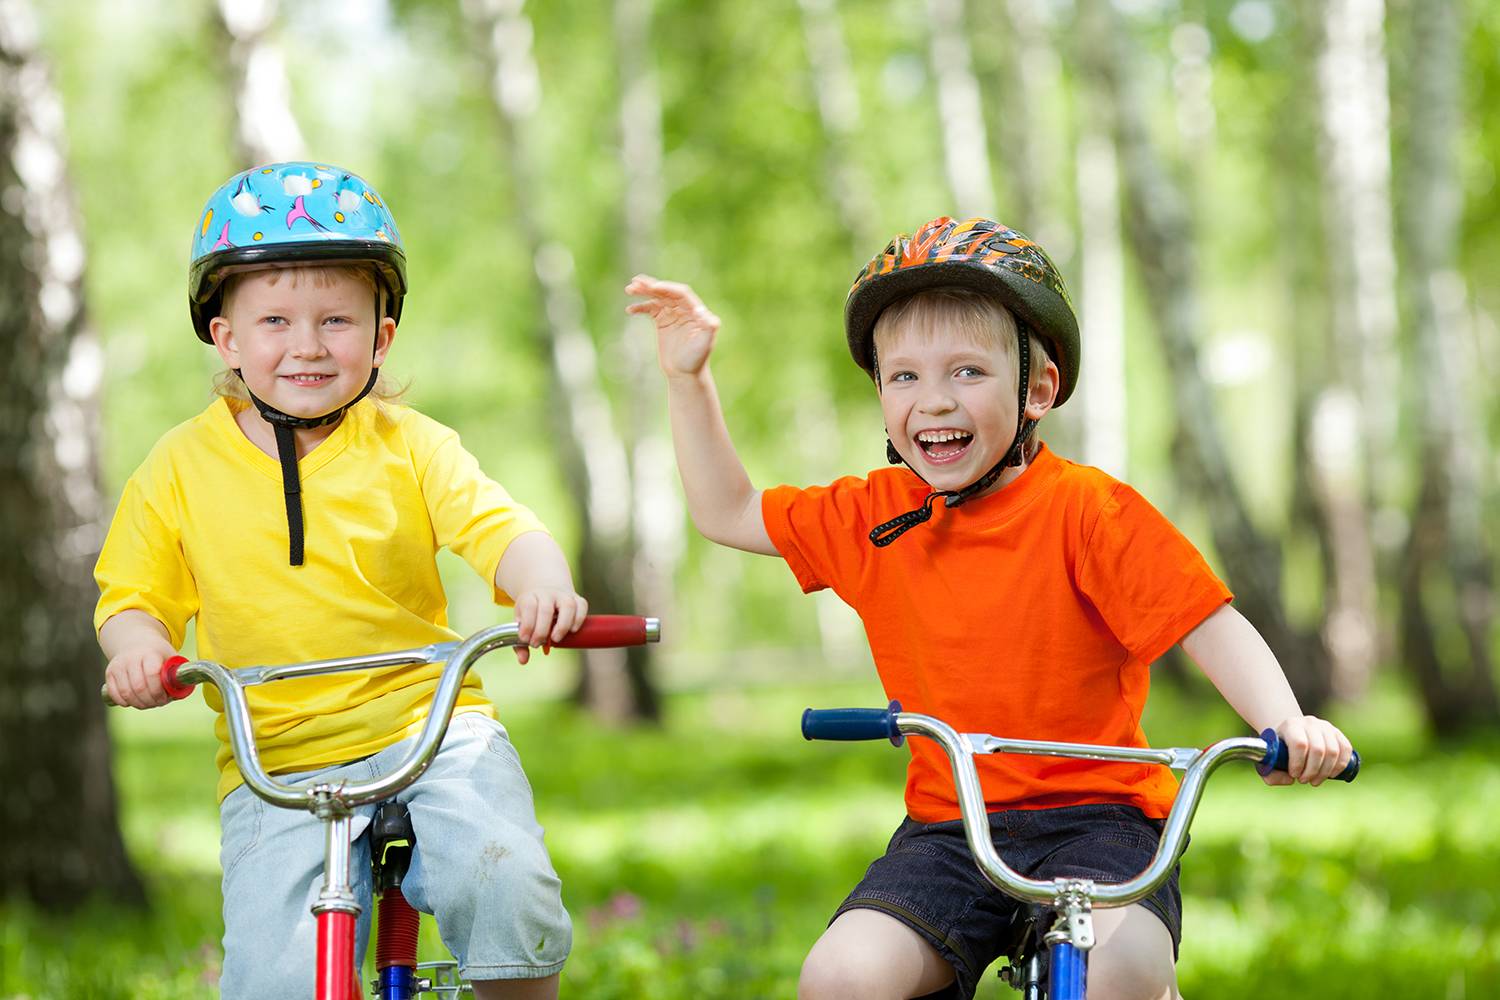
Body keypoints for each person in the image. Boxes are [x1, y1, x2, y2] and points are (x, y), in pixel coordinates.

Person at [626, 216, 1353, 1000]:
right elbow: (726, 512)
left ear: (1037, 389)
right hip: (950, 829)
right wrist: (687, 380)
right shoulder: (874, 515)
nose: (932, 401)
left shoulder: (1089, 511)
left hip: (1099, 818)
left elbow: (1206, 623)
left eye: (967, 372)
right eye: (903, 377)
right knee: (841, 975)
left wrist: (1284, 723)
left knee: (1124, 968)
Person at [98, 162, 580, 1000]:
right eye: (275, 320)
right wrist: (140, 650)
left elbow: (502, 528)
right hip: (274, 758)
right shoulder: (176, 468)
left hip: (431, 726)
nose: (309, 344)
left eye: (337, 320)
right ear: (228, 339)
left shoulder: (412, 444)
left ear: (381, 336)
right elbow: (133, 592)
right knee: (271, 976)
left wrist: (540, 582)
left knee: (504, 885)